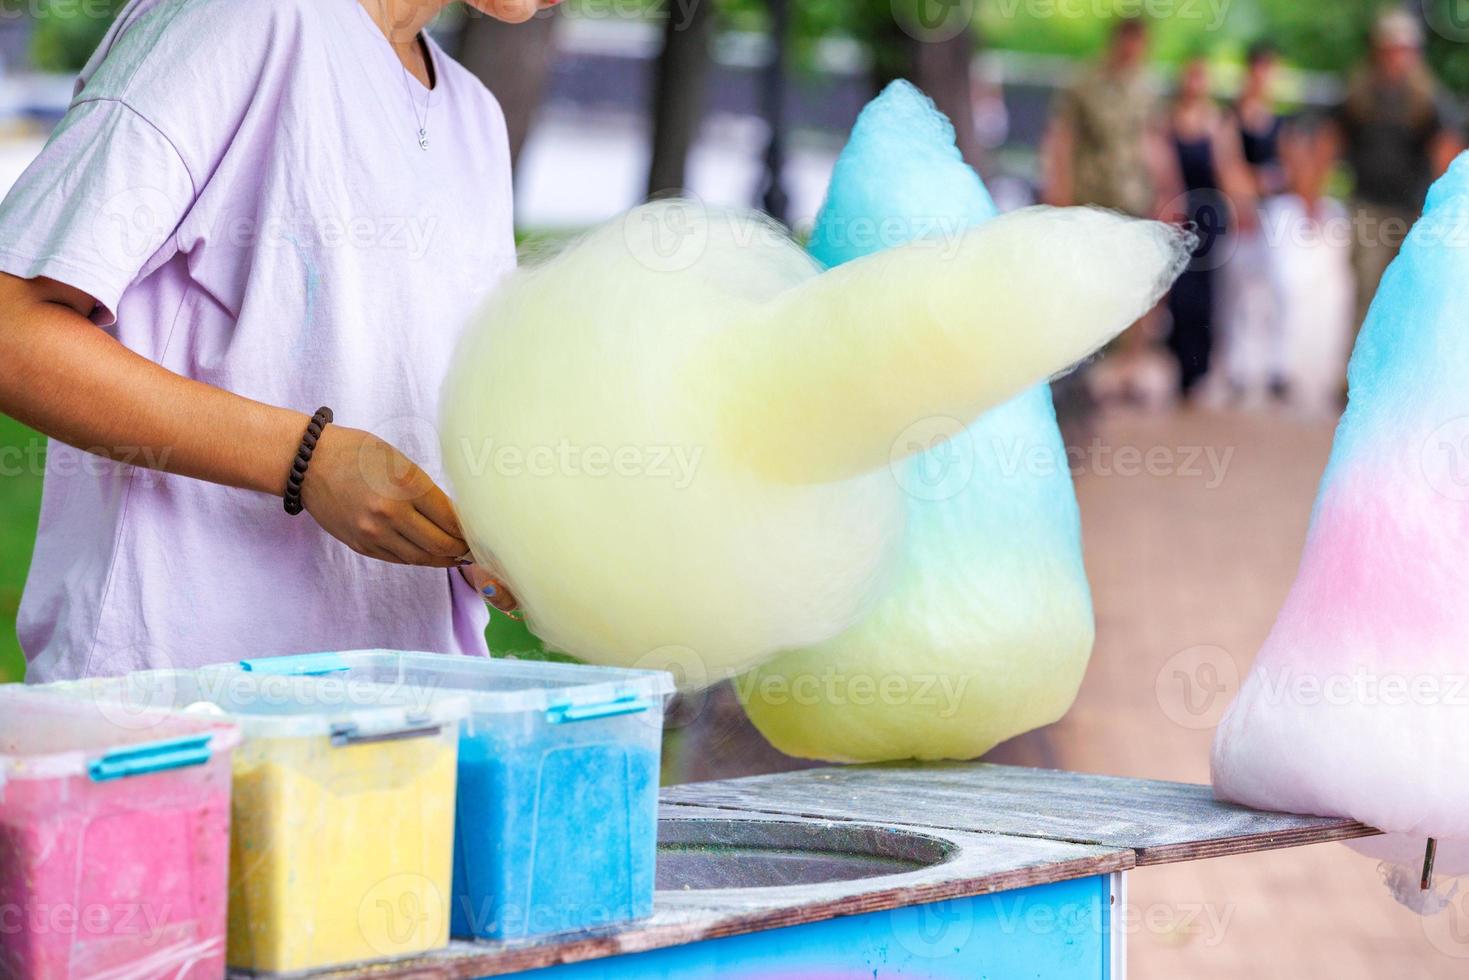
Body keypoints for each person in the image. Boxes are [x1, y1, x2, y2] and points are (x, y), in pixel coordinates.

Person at [0, 0, 549, 683]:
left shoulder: (475, 116)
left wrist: (506, 539)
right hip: (179, 708)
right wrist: (306, 459)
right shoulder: (241, 19)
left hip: (409, 719)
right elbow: (13, 328)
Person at [1334, 9, 1462, 334]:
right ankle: (1356, 379)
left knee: (1410, 297)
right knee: (1367, 292)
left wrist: (1441, 212)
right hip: (1369, 207)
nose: (1397, 56)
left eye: (1404, 48)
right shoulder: (1359, 95)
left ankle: (1395, 381)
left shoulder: (1428, 100)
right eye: (1392, 48)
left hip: (1413, 211)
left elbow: (1445, 153)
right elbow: (1330, 142)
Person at [1161, 56, 1256, 398]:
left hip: (1209, 216)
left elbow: (1229, 169)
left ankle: (1200, 366)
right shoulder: (1167, 121)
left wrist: (1242, 207)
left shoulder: (1218, 122)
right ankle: (1182, 364)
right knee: (1180, 296)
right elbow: (1162, 170)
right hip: (1178, 214)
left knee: (1206, 295)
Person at [1217, 41, 1285, 404]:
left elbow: (1284, 169)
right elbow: (1229, 166)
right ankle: (1235, 366)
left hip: (1270, 214)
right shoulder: (1231, 116)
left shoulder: (1277, 119)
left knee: (1275, 289)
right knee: (1237, 294)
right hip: (1240, 213)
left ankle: (1274, 365)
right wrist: (1244, 197)